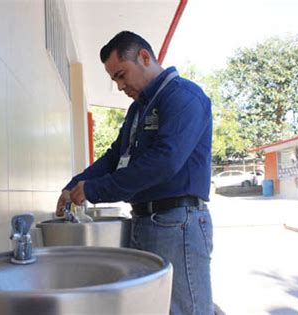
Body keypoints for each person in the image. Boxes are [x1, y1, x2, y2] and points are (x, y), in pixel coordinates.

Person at [56, 31, 214, 315]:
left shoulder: (184, 96)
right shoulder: (138, 110)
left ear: (144, 57)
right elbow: (115, 157)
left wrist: (95, 190)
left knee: (186, 310)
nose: (119, 86)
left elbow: (164, 162)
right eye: (114, 79)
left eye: (121, 74)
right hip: (144, 222)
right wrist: (75, 185)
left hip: (177, 224)